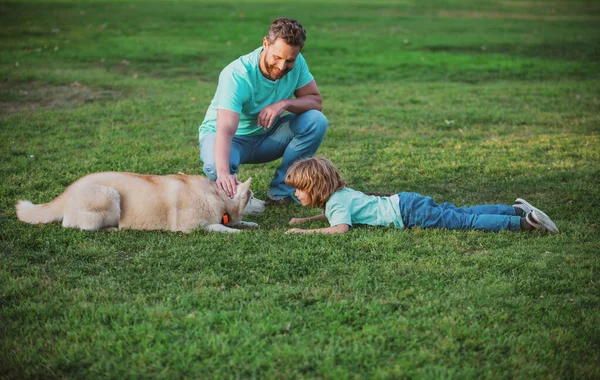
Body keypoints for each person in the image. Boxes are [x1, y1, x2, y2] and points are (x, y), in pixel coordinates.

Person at [198, 17, 328, 203]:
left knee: (316, 121)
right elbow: (225, 130)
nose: (282, 66)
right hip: (230, 138)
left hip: (267, 136)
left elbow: (316, 101)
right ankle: (231, 191)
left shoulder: (298, 63)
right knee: (215, 166)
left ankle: (282, 190)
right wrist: (224, 172)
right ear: (265, 44)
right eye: (277, 57)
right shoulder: (237, 75)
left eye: (289, 60)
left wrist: (284, 104)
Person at [284, 157, 560, 235]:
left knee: (463, 222)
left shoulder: (338, 203)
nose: (295, 193)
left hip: (408, 214)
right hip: (406, 201)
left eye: (299, 188)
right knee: (460, 212)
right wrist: (305, 219)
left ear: (316, 187)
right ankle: (512, 210)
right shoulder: (339, 196)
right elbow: (337, 215)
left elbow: (340, 227)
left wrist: (306, 232)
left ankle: (526, 223)